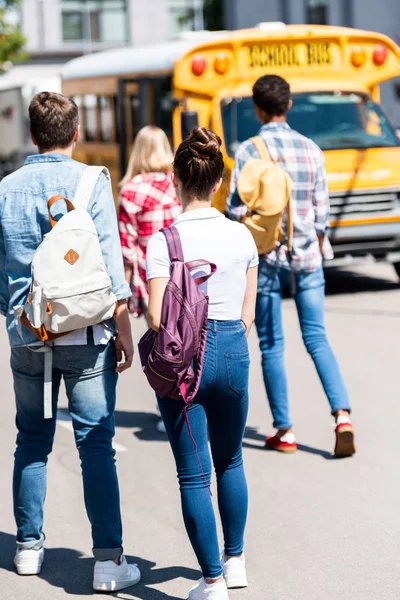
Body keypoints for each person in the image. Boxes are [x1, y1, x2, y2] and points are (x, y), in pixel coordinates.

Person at [0, 92, 140, 591]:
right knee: (95, 445)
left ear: (32, 134)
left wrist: (15, 316)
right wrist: (124, 330)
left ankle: (28, 549)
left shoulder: (6, 189)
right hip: (86, 334)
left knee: (32, 440)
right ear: (75, 132)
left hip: (27, 336)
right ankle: (107, 561)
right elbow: (108, 259)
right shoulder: (91, 181)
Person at [146, 127, 258, 600]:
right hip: (233, 346)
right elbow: (248, 314)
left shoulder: (162, 241)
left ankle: (211, 582)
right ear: (218, 182)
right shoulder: (241, 236)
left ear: (175, 179)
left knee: (194, 475)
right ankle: (235, 561)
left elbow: (154, 315)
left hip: (184, 360)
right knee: (230, 458)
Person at [227, 74, 355, 458]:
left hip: (267, 259)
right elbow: (322, 213)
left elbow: (235, 210)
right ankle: (342, 415)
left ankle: (285, 431)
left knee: (272, 345)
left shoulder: (250, 151)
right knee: (317, 338)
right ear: (289, 105)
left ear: (257, 108)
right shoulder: (312, 150)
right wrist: (312, 246)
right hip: (308, 259)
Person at [118, 125, 181, 318]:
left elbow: (127, 251)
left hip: (150, 282)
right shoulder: (179, 184)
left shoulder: (130, 191)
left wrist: (122, 301)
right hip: (183, 276)